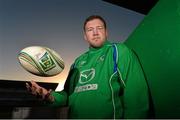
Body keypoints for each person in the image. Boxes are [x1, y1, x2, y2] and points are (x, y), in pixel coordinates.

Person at [26, 15, 149, 119]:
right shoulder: (77, 62)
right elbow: (67, 95)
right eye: (90, 29)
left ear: (106, 32)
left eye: (99, 28)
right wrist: (49, 96)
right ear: (85, 36)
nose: (95, 32)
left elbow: (136, 97)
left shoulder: (119, 51)